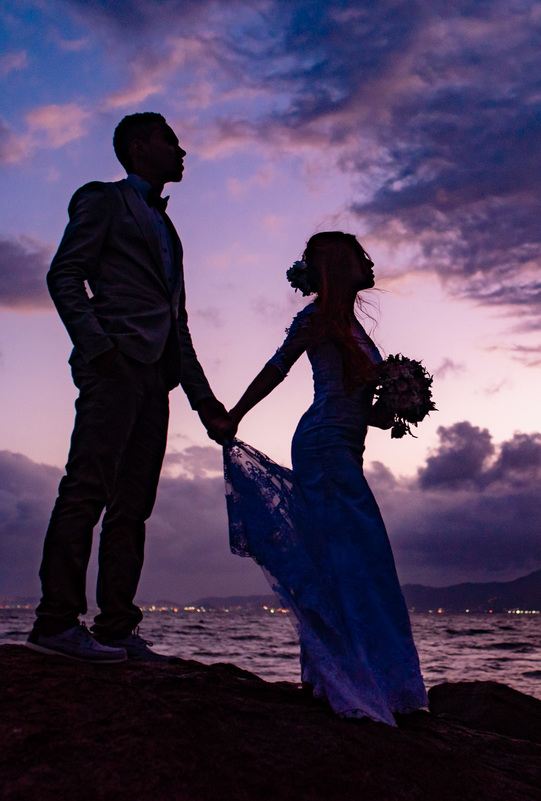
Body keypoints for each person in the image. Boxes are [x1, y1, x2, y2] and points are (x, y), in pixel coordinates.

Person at [28, 112, 234, 663]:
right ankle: (55, 624)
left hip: (157, 379)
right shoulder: (102, 199)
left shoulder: (169, 230)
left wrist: (205, 401)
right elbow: (64, 275)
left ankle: (117, 628)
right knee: (86, 489)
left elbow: (177, 322)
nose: (182, 150)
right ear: (139, 147)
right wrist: (101, 350)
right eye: (172, 139)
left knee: (133, 508)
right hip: (114, 366)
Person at [221, 231, 428, 724]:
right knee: (350, 560)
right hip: (322, 444)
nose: (368, 261)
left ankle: (362, 679)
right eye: (358, 255)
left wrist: (399, 405)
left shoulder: (355, 329)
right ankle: (352, 682)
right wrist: (235, 415)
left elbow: (368, 416)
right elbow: (278, 368)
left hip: (345, 447)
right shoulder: (315, 319)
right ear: (339, 264)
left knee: (362, 560)